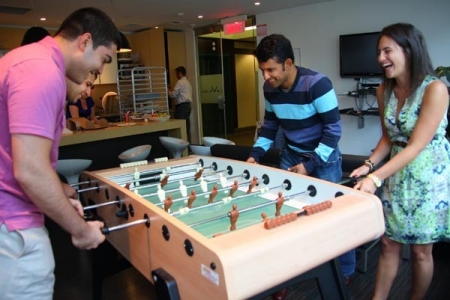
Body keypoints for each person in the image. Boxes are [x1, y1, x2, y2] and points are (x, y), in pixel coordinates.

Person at [0, 7, 121, 300]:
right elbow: (30, 170)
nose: (101, 71)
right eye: (103, 59)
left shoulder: (26, 60)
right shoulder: (42, 71)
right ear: (85, 42)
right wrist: (80, 229)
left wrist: (59, 191)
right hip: (13, 226)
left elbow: (16, 158)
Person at [246, 34, 355, 299]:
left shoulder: (317, 84)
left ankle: (345, 271)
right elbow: (270, 127)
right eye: (262, 70)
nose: (266, 76)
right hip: (291, 155)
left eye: (271, 69)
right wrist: (254, 156)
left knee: (333, 218)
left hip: (324, 158)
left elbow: (333, 131)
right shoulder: (269, 89)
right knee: (286, 218)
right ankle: (285, 276)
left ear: (288, 63)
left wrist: (309, 165)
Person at [349, 23, 450, 300]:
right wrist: (368, 165)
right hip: (396, 173)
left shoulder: (435, 89)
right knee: (388, 243)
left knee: (420, 251)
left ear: (409, 49)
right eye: (379, 52)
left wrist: (374, 178)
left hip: (428, 175)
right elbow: (388, 137)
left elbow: (417, 145)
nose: (381, 58)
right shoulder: (384, 90)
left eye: (387, 50)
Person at [169, 66, 193, 142]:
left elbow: (173, 95)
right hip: (187, 106)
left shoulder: (180, 82)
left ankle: (182, 145)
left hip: (181, 107)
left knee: (180, 127)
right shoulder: (188, 82)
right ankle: (188, 146)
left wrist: (168, 91)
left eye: (176, 73)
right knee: (186, 127)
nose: (175, 75)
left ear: (180, 73)